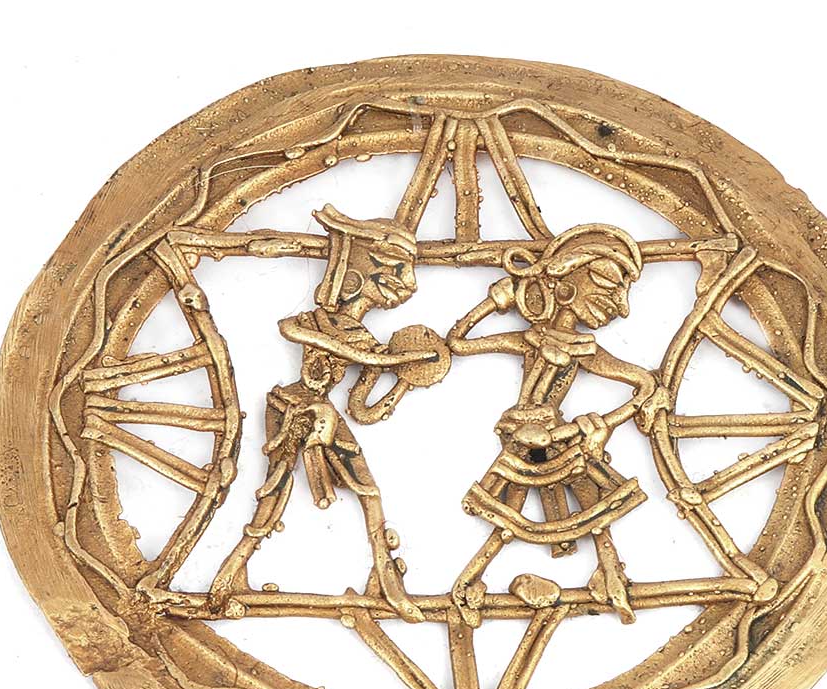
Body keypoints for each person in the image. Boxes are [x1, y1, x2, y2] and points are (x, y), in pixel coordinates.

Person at [208, 204, 449, 623]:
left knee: (368, 491)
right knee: (274, 492)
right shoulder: (318, 321)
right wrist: (375, 359)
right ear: (357, 269)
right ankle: (229, 573)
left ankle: (386, 581)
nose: (407, 283)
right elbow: (289, 329)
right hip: (294, 405)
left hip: (327, 413)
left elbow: (361, 410)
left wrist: (403, 383)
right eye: (395, 269)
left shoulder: (368, 342)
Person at [447, 224, 670, 627]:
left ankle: (610, 577)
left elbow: (644, 384)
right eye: (608, 284)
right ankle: (468, 581)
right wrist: (495, 302)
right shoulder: (530, 339)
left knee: (587, 507)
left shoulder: (585, 350)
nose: (620, 306)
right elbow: (459, 343)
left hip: (556, 438)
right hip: (524, 438)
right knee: (515, 515)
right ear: (566, 280)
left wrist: (599, 424)